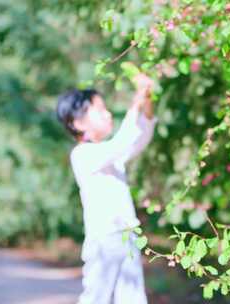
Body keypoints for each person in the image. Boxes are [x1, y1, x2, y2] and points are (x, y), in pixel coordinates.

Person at [55, 73, 156, 304]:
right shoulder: (83, 155)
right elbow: (123, 142)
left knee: (133, 299)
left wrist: (147, 100)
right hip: (105, 238)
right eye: (100, 111)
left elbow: (139, 138)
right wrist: (136, 101)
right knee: (96, 298)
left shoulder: (110, 155)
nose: (108, 114)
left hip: (128, 236)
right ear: (78, 123)